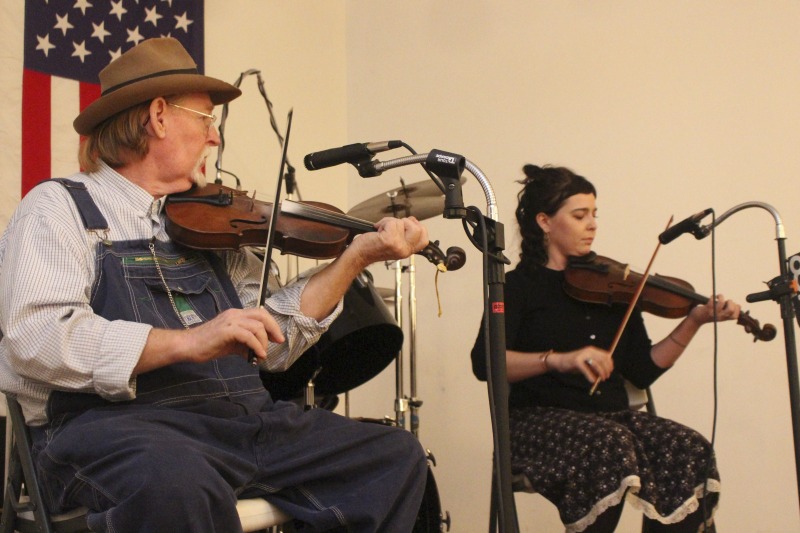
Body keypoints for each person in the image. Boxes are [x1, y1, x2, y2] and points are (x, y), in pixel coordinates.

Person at [0, 37, 429, 533]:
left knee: (392, 457)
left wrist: (355, 258)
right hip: (112, 428)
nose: (215, 139)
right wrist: (189, 340)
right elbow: (36, 338)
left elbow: (273, 344)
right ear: (159, 116)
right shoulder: (59, 208)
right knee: (175, 480)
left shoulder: (210, 220)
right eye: (206, 119)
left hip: (237, 420)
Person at [471, 164, 742, 532]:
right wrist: (558, 361)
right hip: (535, 422)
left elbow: (643, 369)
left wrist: (693, 321)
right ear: (545, 222)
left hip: (611, 419)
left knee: (689, 447)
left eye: (594, 214)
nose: (592, 224)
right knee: (609, 446)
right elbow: (486, 362)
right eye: (580, 215)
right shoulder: (516, 286)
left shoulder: (610, 285)